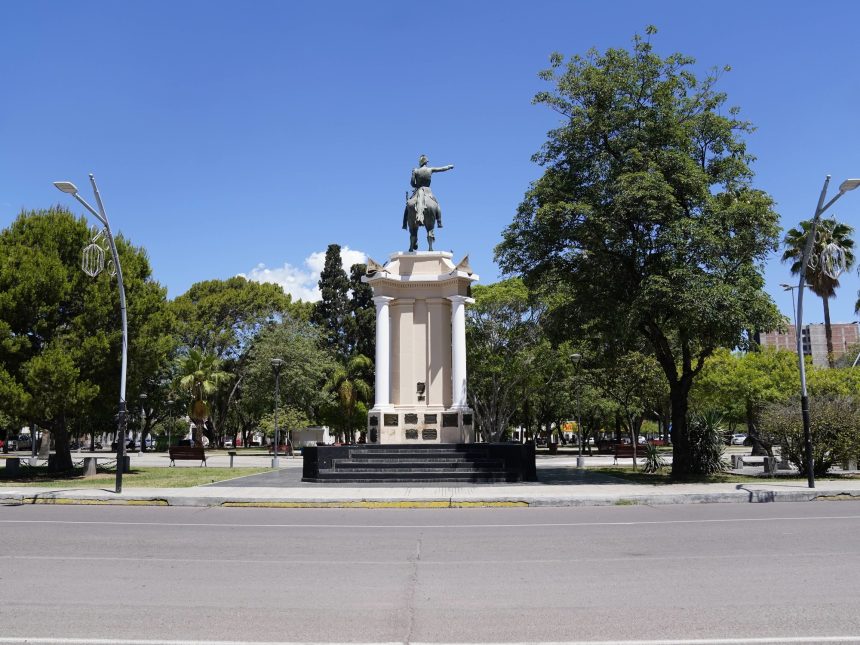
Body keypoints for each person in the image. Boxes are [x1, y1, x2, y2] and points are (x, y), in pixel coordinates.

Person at [402, 155, 454, 230]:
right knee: (437, 205)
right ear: (426, 162)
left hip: (417, 190)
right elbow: (442, 169)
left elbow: (412, 184)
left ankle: (404, 224)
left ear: (420, 163)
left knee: (407, 207)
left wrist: (414, 176)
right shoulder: (430, 169)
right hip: (427, 191)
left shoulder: (416, 170)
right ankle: (439, 222)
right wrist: (449, 166)